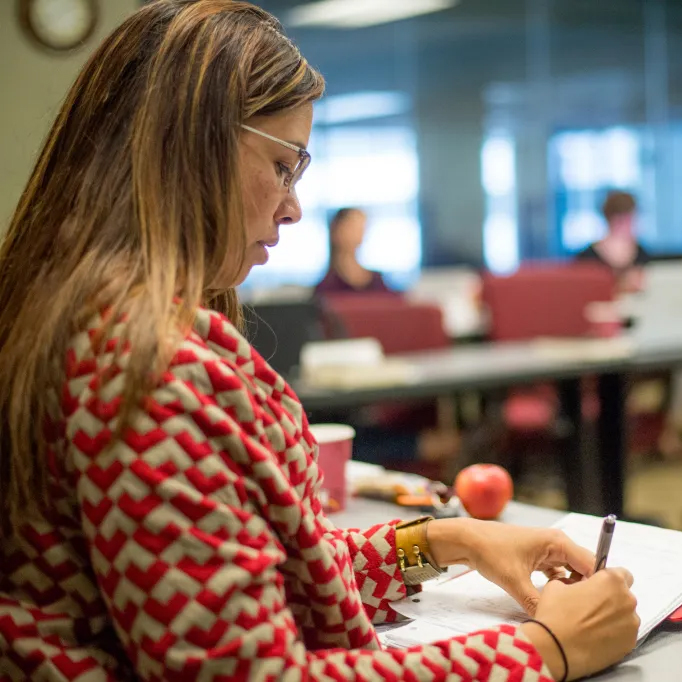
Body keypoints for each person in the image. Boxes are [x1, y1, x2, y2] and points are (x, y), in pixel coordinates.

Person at [0, 2, 638, 681]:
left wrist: (450, 540)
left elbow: (258, 569)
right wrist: (542, 650)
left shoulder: (77, 325)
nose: (294, 205)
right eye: (282, 164)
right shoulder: (150, 372)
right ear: (192, 147)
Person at [575, 190, 649, 294]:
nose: (627, 224)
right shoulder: (586, 257)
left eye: (629, 218)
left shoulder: (642, 254)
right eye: (621, 219)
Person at [315, 207, 392, 294]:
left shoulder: (377, 280)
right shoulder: (327, 286)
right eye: (352, 227)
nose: (358, 233)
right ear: (336, 230)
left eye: (361, 227)